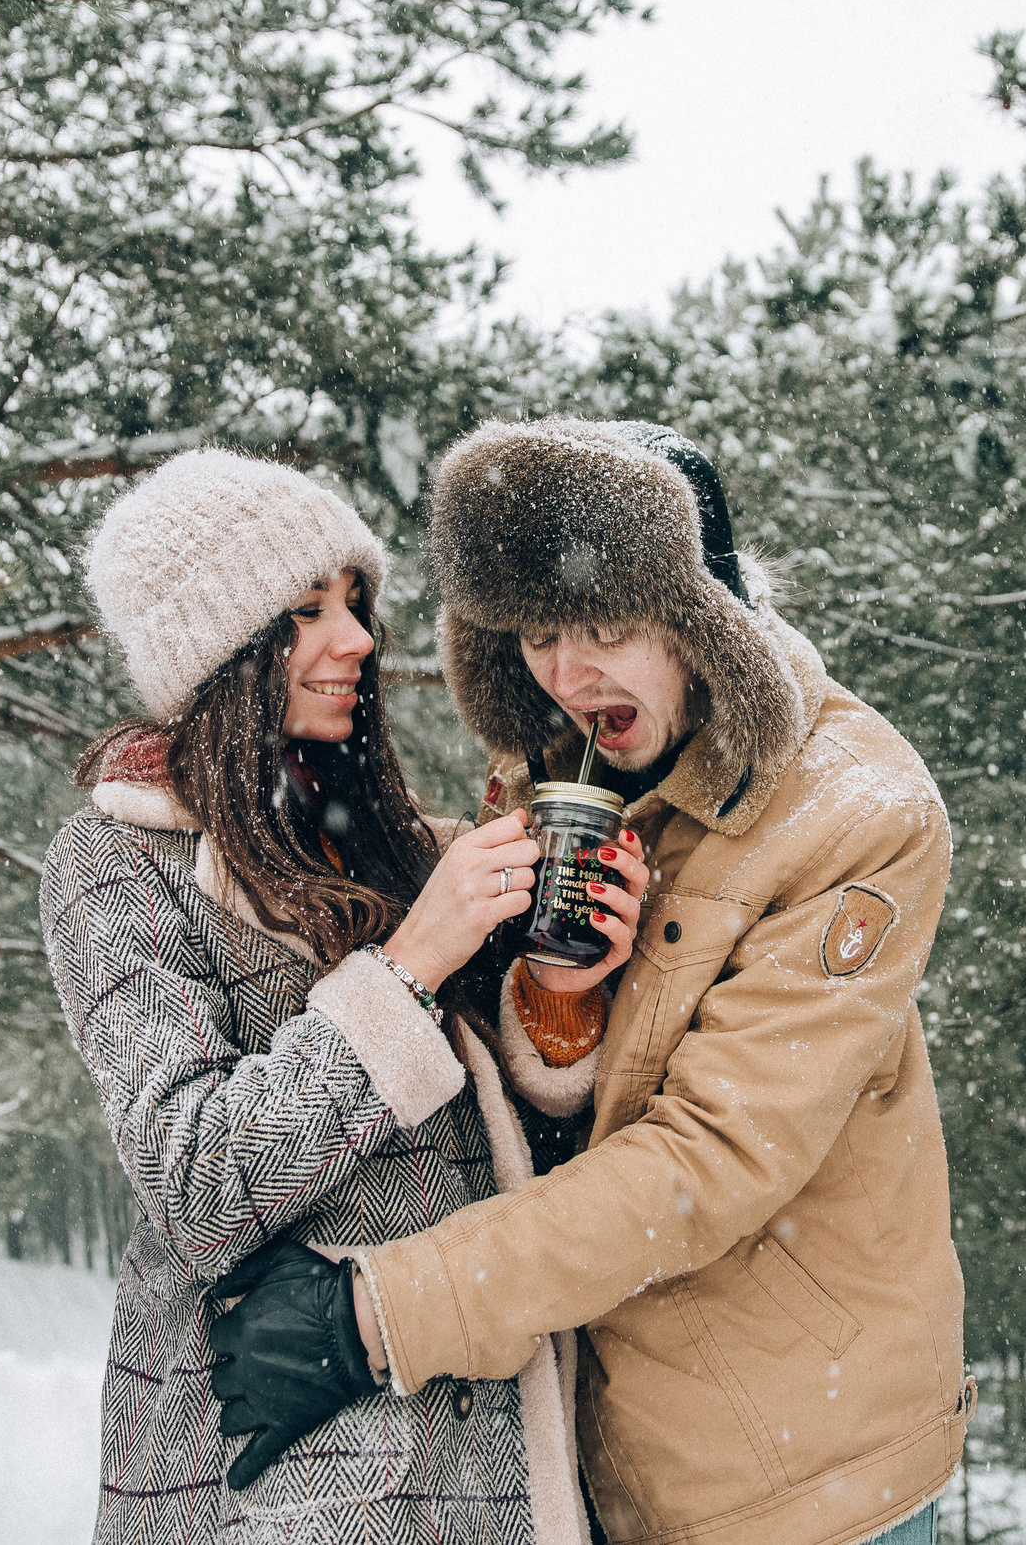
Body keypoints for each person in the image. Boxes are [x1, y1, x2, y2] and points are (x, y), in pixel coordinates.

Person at [209, 420, 968, 1545]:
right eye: (540, 632)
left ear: (703, 621)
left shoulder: (858, 815)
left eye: (608, 626)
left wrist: (378, 1313)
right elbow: (541, 1099)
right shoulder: (553, 775)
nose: (568, 674)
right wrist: (557, 1001)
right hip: (598, 1456)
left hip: (802, 1478)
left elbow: (705, 1164)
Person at [40, 448, 648, 1545]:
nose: (358, 640)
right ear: (221, 648)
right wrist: (410, 965)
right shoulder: (114, 865)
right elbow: (198, 1181)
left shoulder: (375, 831)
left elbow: (493, 1142)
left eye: (357, 604)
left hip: (486, 1439)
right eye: (307, 611)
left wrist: (558, 993)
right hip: (295, 1481)